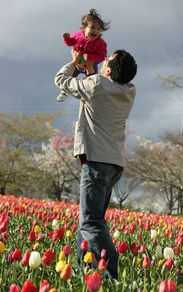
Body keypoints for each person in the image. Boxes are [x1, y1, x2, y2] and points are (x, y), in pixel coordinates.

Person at [54, 49, 137, 279]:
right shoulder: (129, 91)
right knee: (89, 220)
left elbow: (61, 81)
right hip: (114, 165)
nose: (105, 58)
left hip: (96, 162)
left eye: (108, 58)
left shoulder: (97, 86)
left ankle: (111, 273)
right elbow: (98, 83)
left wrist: (73, 62)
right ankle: (85, 270)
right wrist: (90, 68)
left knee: (90, 221)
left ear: (108, 69)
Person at [57, 8, 110, 102]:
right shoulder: (78, 35)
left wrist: (90, 58)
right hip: (78, 62)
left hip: (91, 65)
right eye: (92, 28)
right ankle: (64, 91)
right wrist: (66, 38)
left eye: (98, 29)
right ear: (83, 28)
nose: (96, 31)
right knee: (70, 76)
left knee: (91, 80)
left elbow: (102, 56)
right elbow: (70, 43)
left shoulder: (101, 43)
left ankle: (90, 95)